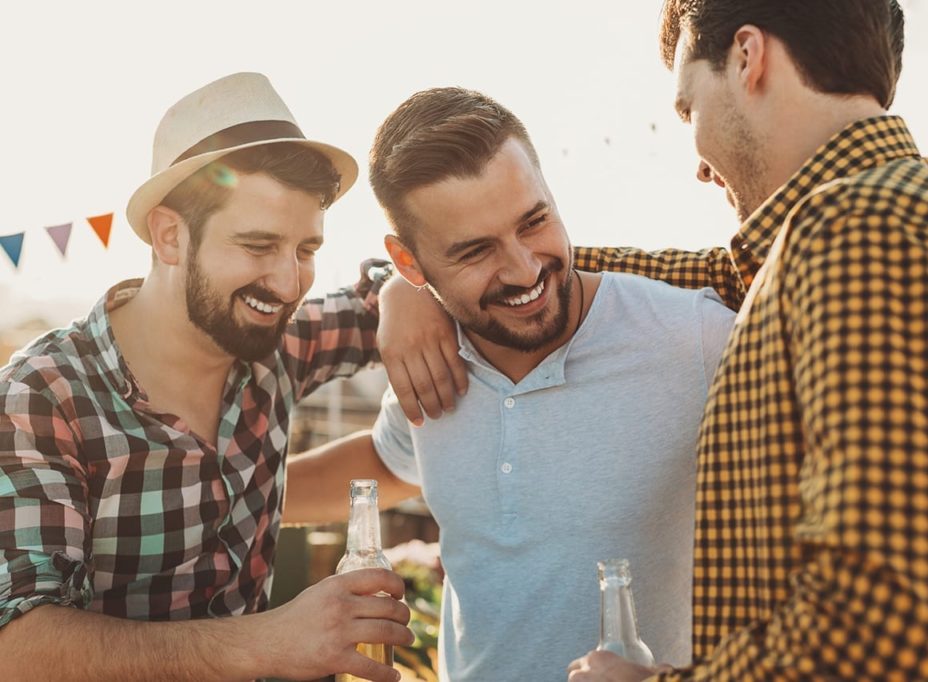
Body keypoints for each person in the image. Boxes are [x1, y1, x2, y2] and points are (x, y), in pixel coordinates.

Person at [564, 0, 928, 679]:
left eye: (689, 107)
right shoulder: (900, 215)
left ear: (749, 57)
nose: (696, 163)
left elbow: (886, 624)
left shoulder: (865, 229)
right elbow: (722, 278)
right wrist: (464, 278)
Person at [304, 86, 735, 681]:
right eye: (475, 252)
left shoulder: (696, 339)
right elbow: (385, 463)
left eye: (534, 221)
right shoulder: (429, 357)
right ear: (409, 264)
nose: (526, 269)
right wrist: (240, 499)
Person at [0, 72, 413, 682]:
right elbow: (19, 648)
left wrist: (407, 297)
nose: (288, 282)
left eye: (304, 249)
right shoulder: (42, 394)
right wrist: (269, 641)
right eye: (257, 245)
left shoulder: (274, 343)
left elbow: (387, 291)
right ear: (170, 236)